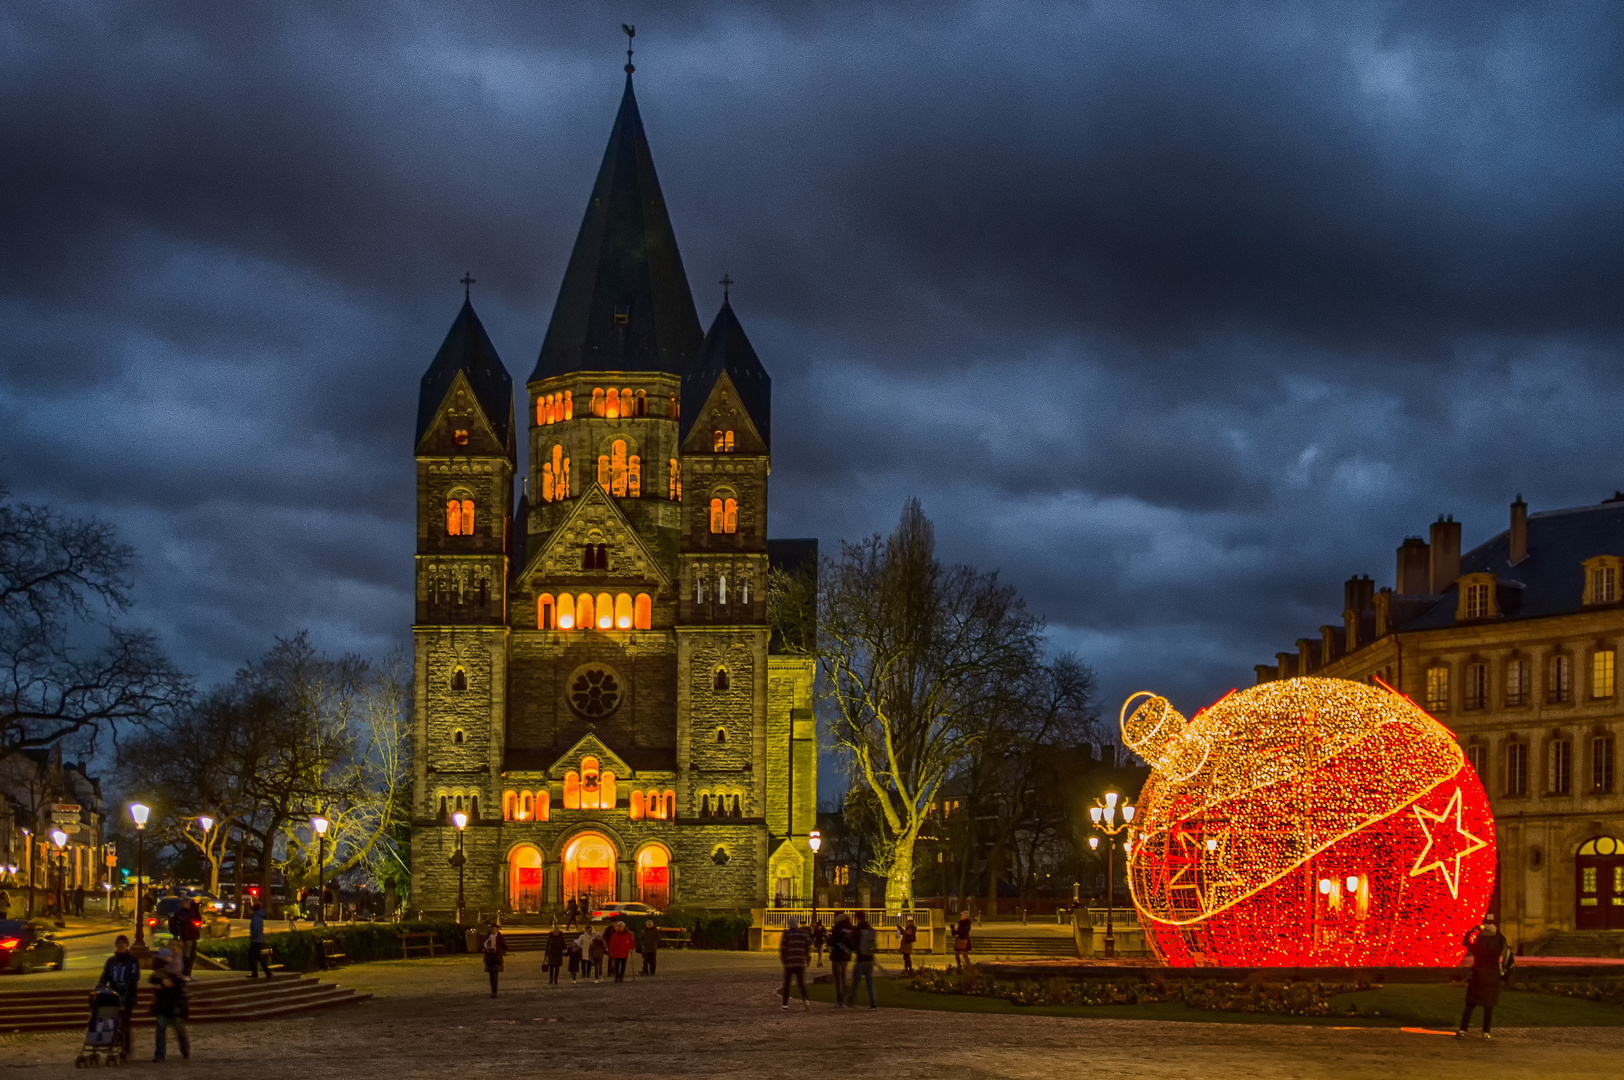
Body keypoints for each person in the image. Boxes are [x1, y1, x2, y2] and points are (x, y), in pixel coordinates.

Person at [1458, 919, 1511, 1039]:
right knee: (1489, 1006)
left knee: (1470, 1005)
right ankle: (1486, 1032)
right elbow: (1504, 940)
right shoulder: (1499, 943)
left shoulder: (1478, 944)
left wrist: (1473, 931)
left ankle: (1463, 1029)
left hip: (1478, 976)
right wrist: (1495, 931)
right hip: (1492, 977)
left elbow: (1466, 942)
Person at [97, 934, 141, 1059]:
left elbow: (135, 976)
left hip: (128, 995)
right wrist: (101, 985)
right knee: (111, 1020)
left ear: (127, 945)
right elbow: (105, 975)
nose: (121, 945)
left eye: (123, 943)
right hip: (113, 995)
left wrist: (126, 984)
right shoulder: (111, 961)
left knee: (125, 1022)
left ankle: (126, 1047)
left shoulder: (132, 960)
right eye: (119, 943)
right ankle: (112, 1041)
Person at [150, 947, 189, 1061]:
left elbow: (179, 984)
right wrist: (162, 982)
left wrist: (166, 983)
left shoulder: (176, 970)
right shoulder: (159, 972)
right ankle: (159, 1054)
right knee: (161, 1027)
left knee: (178, 1028)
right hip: (162, 1003)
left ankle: (184, 1049)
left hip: (173, 1003)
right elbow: (153, 978)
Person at [779, 915, 811, 1011]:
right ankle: (806, 1001)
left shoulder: (787, 934)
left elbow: (783, 949)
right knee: (801, 983)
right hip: (800, 961)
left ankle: (785, 1005)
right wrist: (806, 957)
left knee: (787, 984)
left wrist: (784, 960)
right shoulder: (803, 933)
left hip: (789, 962)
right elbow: (807, 946)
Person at [851, 911, 878, 1010]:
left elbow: (854, 945)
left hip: (861, 958)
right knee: (870, 982)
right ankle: (873, 1003)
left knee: (856, 981)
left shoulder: (858, 930)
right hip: (870, 958)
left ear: (857, 918)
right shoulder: (870, 929)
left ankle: (851, 1001)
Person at [828, 913, 853, 1007]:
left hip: (837, 956)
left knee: (837, 980)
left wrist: (828, 937)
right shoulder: (850, 929)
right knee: (844, 978)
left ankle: (840, 1001)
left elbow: (831, 943)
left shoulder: (837, 929)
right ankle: (847, 997)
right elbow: (852, 944)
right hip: (846, 957)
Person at [247, 901, 273, 979]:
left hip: (256, 940)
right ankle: (267, 972)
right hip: (259, 939)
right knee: (258, 956)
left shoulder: (256, 918)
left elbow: (256, 929)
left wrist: (253, 936)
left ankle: (256, 973)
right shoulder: (258, 917)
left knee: (252, 956)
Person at [482, 921, 508, 998]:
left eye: (495, 929)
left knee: (495, 976)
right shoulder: (487, 937)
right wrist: (485, 950)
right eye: (492, 929)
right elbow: (483, 946)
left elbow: (505, 947)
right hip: (489, 959)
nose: (493, 930)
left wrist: (500, 952)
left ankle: (494, 992)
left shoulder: (500, 937)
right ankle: (493, 991)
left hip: (497, 958)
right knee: (491, 976)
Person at [178, 899, 203, 976]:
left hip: (193, 936)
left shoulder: (192, 912)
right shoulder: (182, 912)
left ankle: (188, 972)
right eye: (187, 903)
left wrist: (196, 910)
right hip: (187, 936)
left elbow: (198, 920)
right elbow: (186, 920)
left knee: (192, 955)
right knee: (187, 955)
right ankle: (185, 972)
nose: (189, 905)